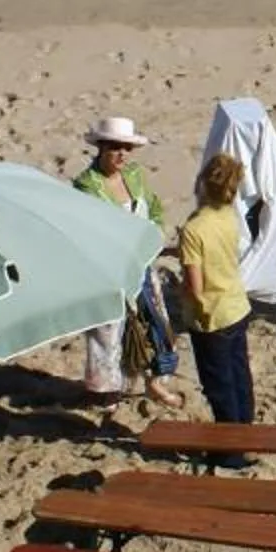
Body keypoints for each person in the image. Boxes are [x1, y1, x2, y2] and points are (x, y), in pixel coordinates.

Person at [71, 115, 185, 408]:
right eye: (115, 148)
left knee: (153, 322)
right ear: (101, 148)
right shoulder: (86, 186)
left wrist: (154, 233)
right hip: (107, 270)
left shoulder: (134, 175)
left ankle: (155, 381)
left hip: (140, 263)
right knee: (108, 332)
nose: (122, 154)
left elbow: (155, 207)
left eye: (126, 148)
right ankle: (105, 393)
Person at [176, 152, 257, 434]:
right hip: (236, 306)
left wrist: (182, 294)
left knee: (218, 386)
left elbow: (195, 286)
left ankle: (230, 450)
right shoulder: (228, 216)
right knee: (239, 377)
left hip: (211, 316)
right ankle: (247, 433)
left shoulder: (193, 229)